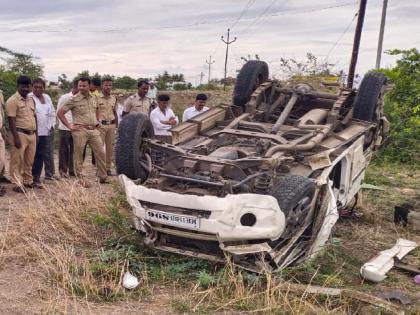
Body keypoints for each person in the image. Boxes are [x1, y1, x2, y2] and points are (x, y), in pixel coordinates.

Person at [57, 77, 107, 187]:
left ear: (89, 86)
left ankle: (103, 177)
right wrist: (69, 125)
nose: (82, 88)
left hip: (93, 130)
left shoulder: (94, 98)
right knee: (78, 156)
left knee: (101, 153)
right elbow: (60, 113)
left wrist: (98, 121)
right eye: (80, 85)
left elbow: (97, 109)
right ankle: (80, 179)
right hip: (80, 130)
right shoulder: (73, 99)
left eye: (84, 86)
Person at [6, 76, 40, 192]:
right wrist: (16, 138)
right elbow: (11, 120)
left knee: (29, 160)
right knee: (17, 161)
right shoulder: (12, 100)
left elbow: (35, 117)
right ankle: (17, 183)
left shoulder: (31, 100)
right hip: (19, 134)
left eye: (27, 86)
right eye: (23, 86)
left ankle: (28, 181)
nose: (26, 89)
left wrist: (37, 134)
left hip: (32, 134)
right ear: (18, 86)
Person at [29, 78, 56, 183]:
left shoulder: (47, 97)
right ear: (32, 87)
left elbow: (52, 112)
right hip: (35, 131)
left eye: (40, 87)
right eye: (35, 87)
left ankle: (37, 177)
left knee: (41, 154)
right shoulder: (29, 97)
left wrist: (52, 125)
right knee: (33, 155)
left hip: (47, 130)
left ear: (44, 88)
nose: (38, 89)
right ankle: (29, 177)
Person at [57, 79, 78, 178]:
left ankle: (72, 170)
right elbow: (59, 112)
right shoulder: (65, 97)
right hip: (65, 128)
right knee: (64, 150)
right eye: (80, 86)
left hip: (77, 128)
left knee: (74, 150)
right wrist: (66, 125)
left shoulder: (81, 98)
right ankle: (63, 171)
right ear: (75, 86)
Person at [98, 77, 118, 176]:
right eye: (106, 85)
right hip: (100, 126)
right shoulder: (96, 98)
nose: (108, 87)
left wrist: (117, 126)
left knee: (110, 149)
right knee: (100, 149)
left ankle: (108, 168)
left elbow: (115, 112)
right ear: (102, 86)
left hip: (111, 125)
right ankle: (100, 170)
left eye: (110, 85)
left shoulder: (114, 98)